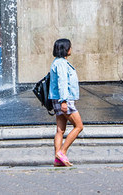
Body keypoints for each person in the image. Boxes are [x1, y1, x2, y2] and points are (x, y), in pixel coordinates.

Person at [49, 38, 83, 167]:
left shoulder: (57, 62)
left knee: (60, 130)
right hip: (63, 99)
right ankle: (62, 152)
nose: (71, 49)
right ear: (65, 49)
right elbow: (62, 82)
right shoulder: (62, 63)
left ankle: (58, 160)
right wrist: (64, 101)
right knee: (79, 126)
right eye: (70, 47)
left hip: (56, 99)